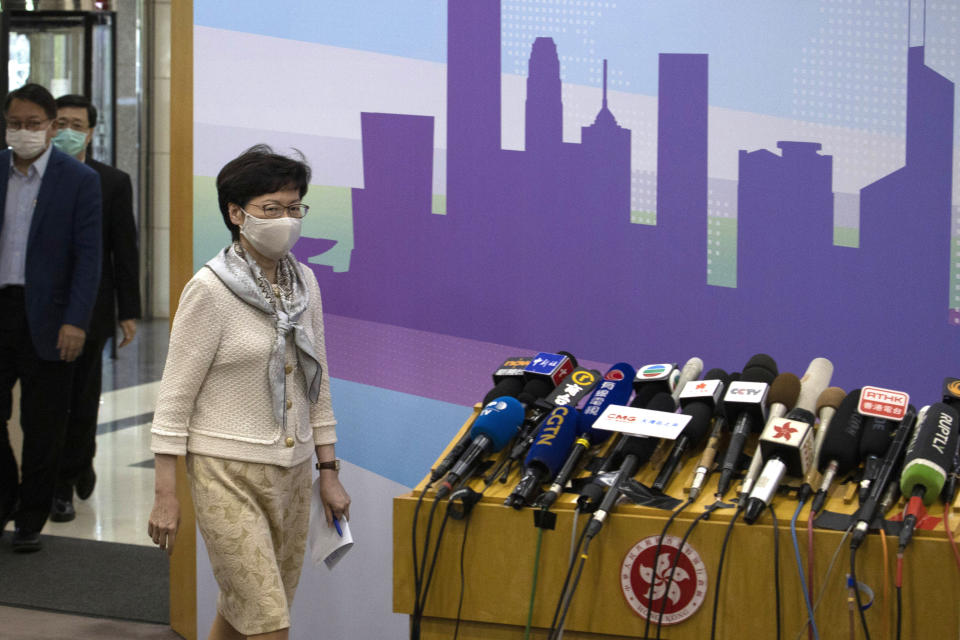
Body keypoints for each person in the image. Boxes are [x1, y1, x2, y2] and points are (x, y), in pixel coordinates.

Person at [148, 145, 350, 640]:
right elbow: (174, 400)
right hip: (225, 472)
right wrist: (165, 495)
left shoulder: (306, 284)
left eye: (293, 208)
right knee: (268, 625)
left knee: (245, 615)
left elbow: (316, 384)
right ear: (237, 214)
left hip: (294, 473)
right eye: (271, 209)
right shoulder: (210, 289)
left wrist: (328, 471)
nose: (285, 219)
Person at [0, 83, 102, 552]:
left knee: (44, 424)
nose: (24, 132)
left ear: (49, 125)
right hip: (2, 308)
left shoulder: (77, 180)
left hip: (50, 317)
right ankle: (5, 494)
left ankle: (29, 518)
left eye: (33, 124)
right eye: (15, 124)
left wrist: (77, 320)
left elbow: (88, 256)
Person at [48, 94, 141, 522]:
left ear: (89, 131)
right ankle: (56, 476)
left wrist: (128, 309)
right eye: (60, 122)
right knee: (48, 401)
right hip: (42, 308)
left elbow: (125, 249)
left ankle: (70, 476)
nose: (67, 130)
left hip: (94, 309)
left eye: (75, 123)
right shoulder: (35, 177)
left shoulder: (112, 181)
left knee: (82, 400)